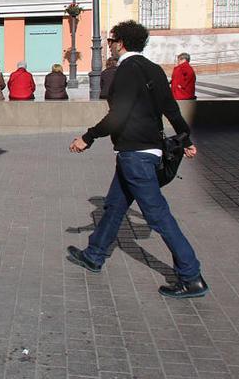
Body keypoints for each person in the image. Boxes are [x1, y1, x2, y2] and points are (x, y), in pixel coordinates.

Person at [66, 20, 207, 299]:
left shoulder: (126, 71)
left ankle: (191, 277)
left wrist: (88, 137)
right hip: (145, 152)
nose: (109, 45)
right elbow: (171, 109)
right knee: (115, 206)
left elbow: (119, 115)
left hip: (135, 155)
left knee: (158, 216)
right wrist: (186, 139)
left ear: (121, 43)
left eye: (110, 41)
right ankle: (94, 254)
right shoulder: (153, 69)